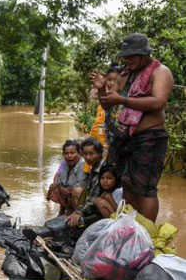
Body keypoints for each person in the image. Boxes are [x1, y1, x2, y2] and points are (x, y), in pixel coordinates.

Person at [91, 33, 173, 222]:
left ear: (144, 54)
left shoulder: (160, 72)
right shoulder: (125, 75)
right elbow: (108, 105)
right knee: (128, 184)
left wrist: (122, 99)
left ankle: (147, 233)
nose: (127, 60)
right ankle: (131, 228)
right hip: (126, 137)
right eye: (125, 57)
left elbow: (158, 102)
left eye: (131, 56)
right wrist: (102, 89)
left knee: (146, 188)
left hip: (150, 137)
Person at [67, 137, 105, 228]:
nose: (88, 157)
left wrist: (79, 212)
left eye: (92, 154)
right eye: (85, 154)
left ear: (100, 153)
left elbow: (94, 196)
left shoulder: (103, 170)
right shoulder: (94, 167)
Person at [47, 140, 87, 215]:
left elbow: (81, 185)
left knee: (76, 192)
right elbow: (58, 176)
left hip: (80, 194)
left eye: (72, 153)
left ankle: (77, 214)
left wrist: (66, 189)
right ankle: (63, 210)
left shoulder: (83, 164)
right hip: (67, 189)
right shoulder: (65, 162)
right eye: (66, 153)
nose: (69, 156)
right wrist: (59, 186)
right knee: (53, 187)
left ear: (79, 153)